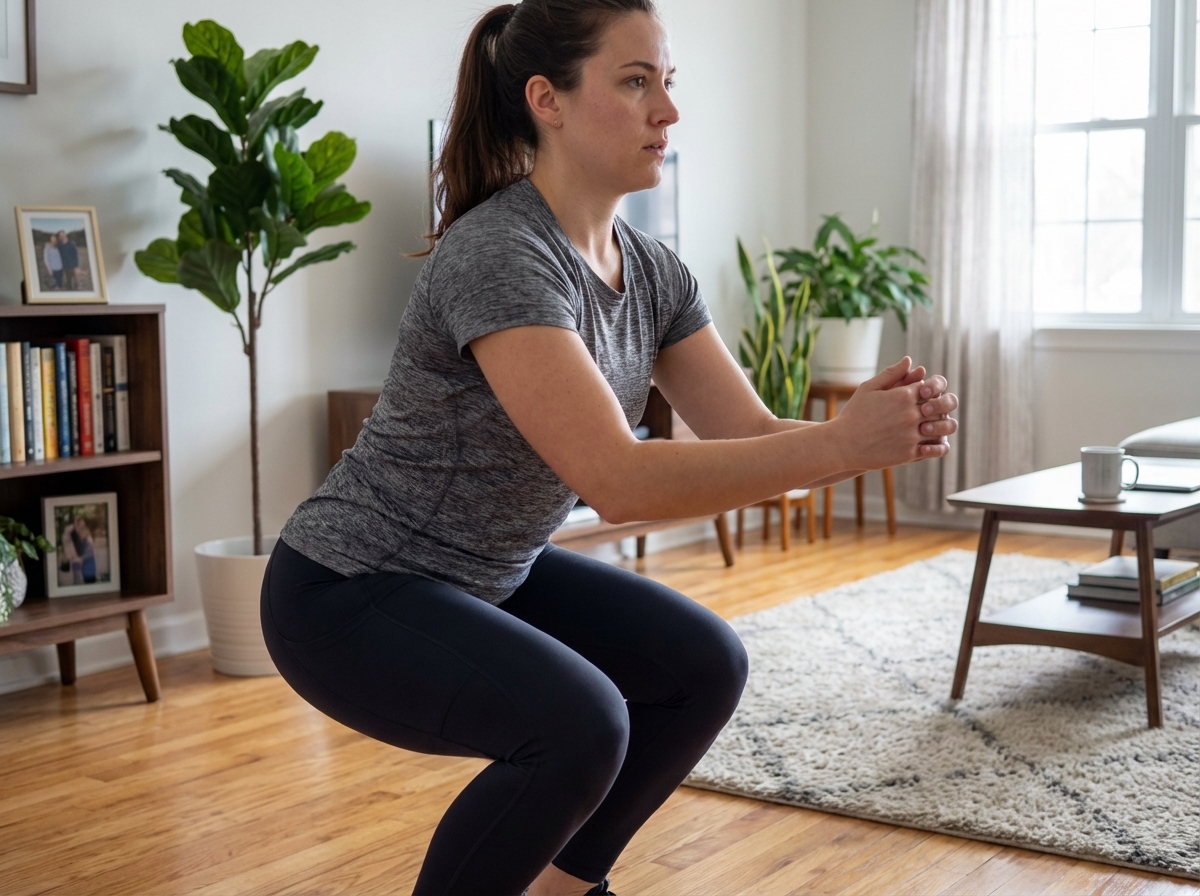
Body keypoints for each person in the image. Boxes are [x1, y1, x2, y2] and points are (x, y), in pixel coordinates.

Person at [261, 3, 959, 895]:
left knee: (701, 667)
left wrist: (858, 439)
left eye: (668, 82)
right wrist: (841, 443)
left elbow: (745, 435)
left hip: (489, 571)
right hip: (347, 591)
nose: (666, 110)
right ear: (546, 100)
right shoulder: (501, 253)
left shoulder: (655, 271)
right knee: (579, 722)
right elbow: (618, 480)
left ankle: (565, 889)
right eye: (635, 82)